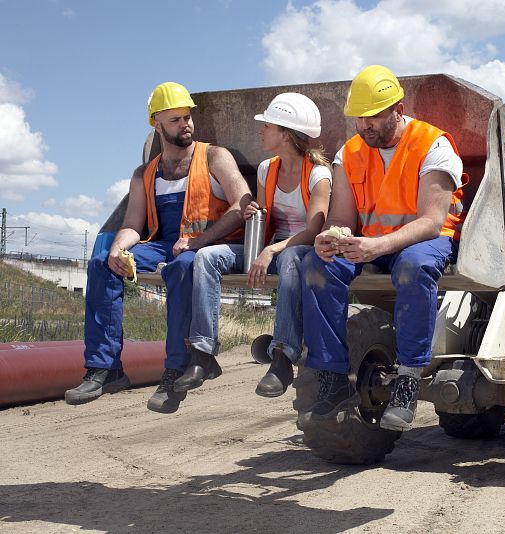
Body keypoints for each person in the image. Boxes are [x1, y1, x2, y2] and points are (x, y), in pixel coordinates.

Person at [65, 82, 251, 413]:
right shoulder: (145, 174)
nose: (186, 125)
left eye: (188, 117)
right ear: (157, 124)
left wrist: (197, 241)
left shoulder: (214, 157)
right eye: (176, 119)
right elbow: (134, 225)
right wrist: (119, 248)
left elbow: (241, 205)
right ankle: (105, 368)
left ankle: (175, 369)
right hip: (163, 244)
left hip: (206, 247)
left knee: (183, 267)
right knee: (101, 264)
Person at [300, 65, 467, 431]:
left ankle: (407, 380)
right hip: (371, 242)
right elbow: (342, 216)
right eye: (359, 118)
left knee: (413, 267)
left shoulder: (433, 146)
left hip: (426, 241)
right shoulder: (351, 152)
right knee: (317, 265)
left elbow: (431, 222)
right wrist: (333, 236)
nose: (364, 125)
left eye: (373, 117)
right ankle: (332, 378)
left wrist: (377, 246)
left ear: (398, 110)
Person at [173, 92, 331, 398]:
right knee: (206, 257)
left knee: (290, 258)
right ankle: (203, 353)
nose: (261, 130)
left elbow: (314, 230)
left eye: (268, 125)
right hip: (269, 248)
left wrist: (271, 249)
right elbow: (267, 214)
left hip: (302, 252)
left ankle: (283, 356)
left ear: (285, 133)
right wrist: (253, 213)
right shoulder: (266, 169)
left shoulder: (319, 174)